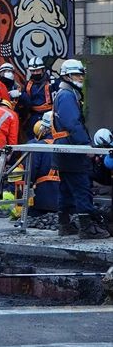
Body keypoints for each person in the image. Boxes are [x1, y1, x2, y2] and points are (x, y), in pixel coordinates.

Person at [52, 59, 110, 239]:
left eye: (81, 74)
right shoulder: (67, 96)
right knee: (81, 185)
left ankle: (65, 224)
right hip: (71, 148)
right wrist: (86, 145)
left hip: (64, 149)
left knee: (67, 188)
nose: (80, 78)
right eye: (77, 75)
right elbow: (73, 124)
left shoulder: (64, 94)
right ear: (67, 76)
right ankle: (87, 228)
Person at [26, 113, 60, 215]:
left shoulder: (39, 146)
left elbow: (31, 170)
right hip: (65, 199)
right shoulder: (70, 146)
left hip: (43, 199)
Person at [24, 57, 53, 138]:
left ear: (43, 70)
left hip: (49, 116)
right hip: (33, 117)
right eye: (33, 71)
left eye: (37, 70)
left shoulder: (52, 83)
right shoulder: (28, 84)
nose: (35, 73)